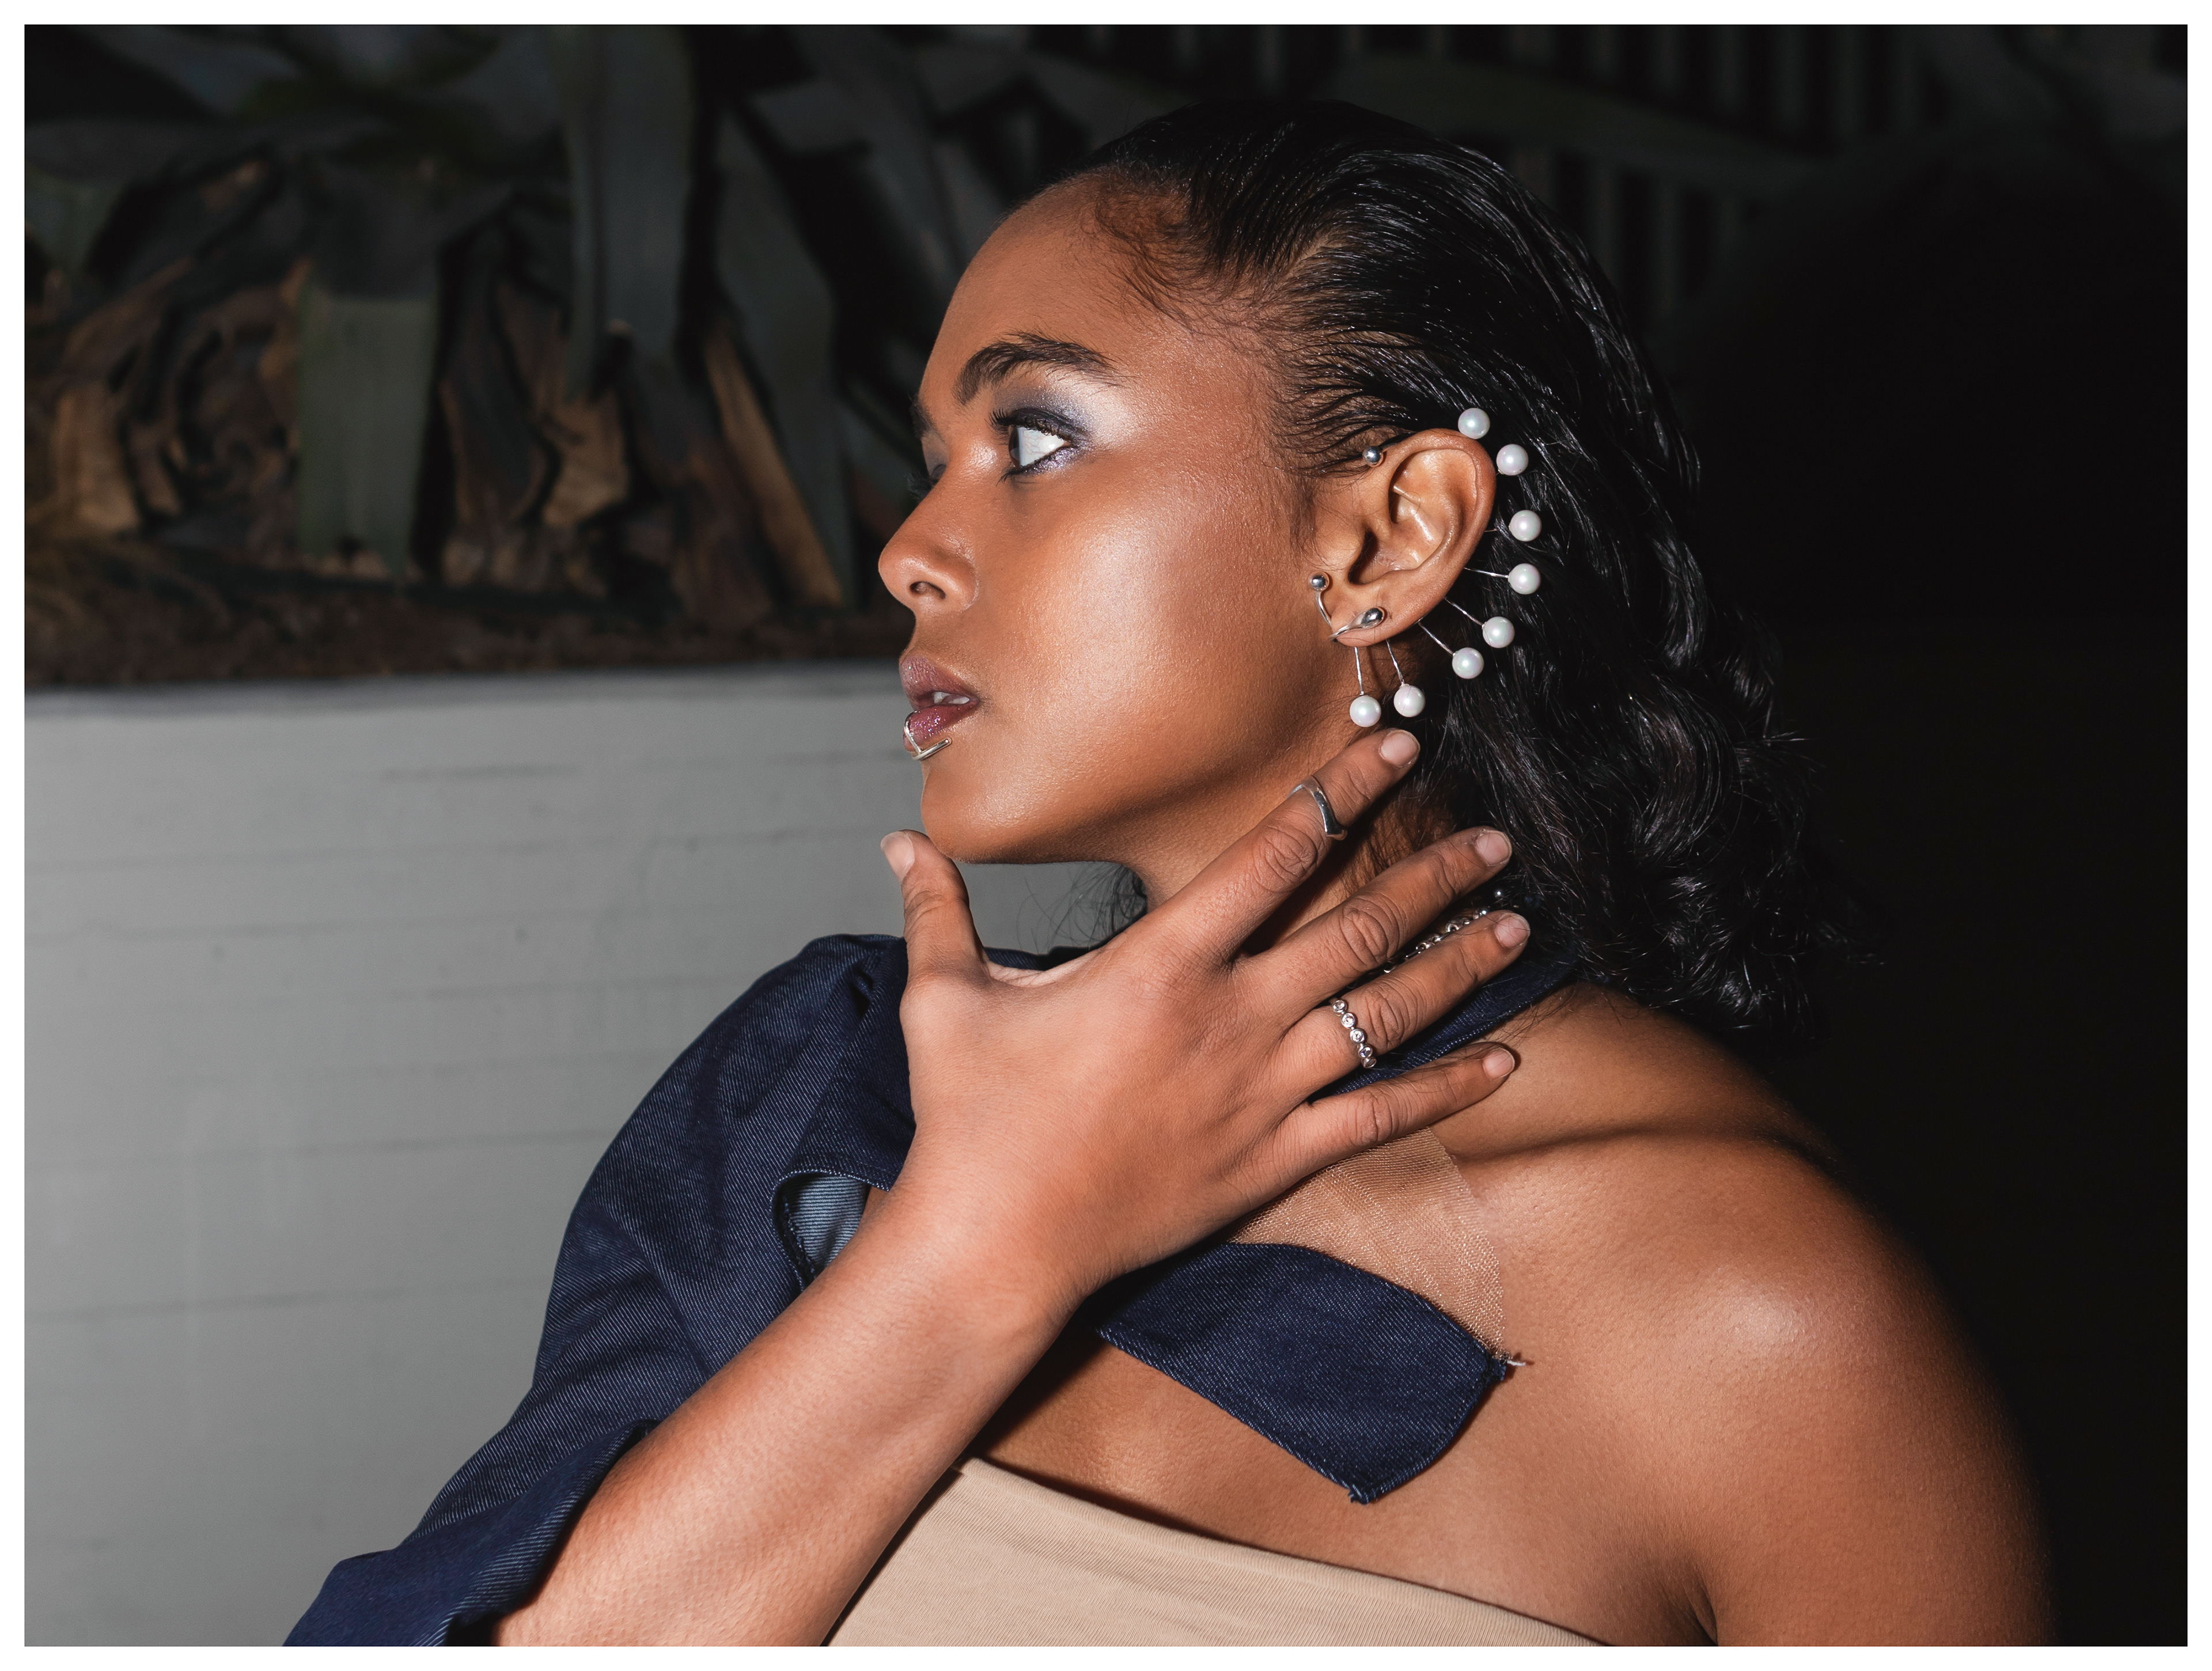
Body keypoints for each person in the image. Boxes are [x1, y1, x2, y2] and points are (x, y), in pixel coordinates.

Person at [289, 101, 2047, 1646]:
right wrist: (980, 1247)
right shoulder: (811, 1111)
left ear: (1391, 534)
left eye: (1034, 439)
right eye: (932, 463)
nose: (908, 551)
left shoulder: (1756, 1312)